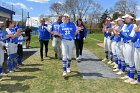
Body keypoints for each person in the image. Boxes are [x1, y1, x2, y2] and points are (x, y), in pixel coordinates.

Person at [117, 14, 137, 83]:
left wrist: (121, 32)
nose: (125, 19)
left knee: (130, 60)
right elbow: (123, 36)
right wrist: (120, 33)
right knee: (127, 60)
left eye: (126, 18)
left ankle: (131, 77)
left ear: (130, 18)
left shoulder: (133, 26)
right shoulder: (126, 26)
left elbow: (129, 37)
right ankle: (128, 75)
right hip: (125, 44)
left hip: (130, 44)